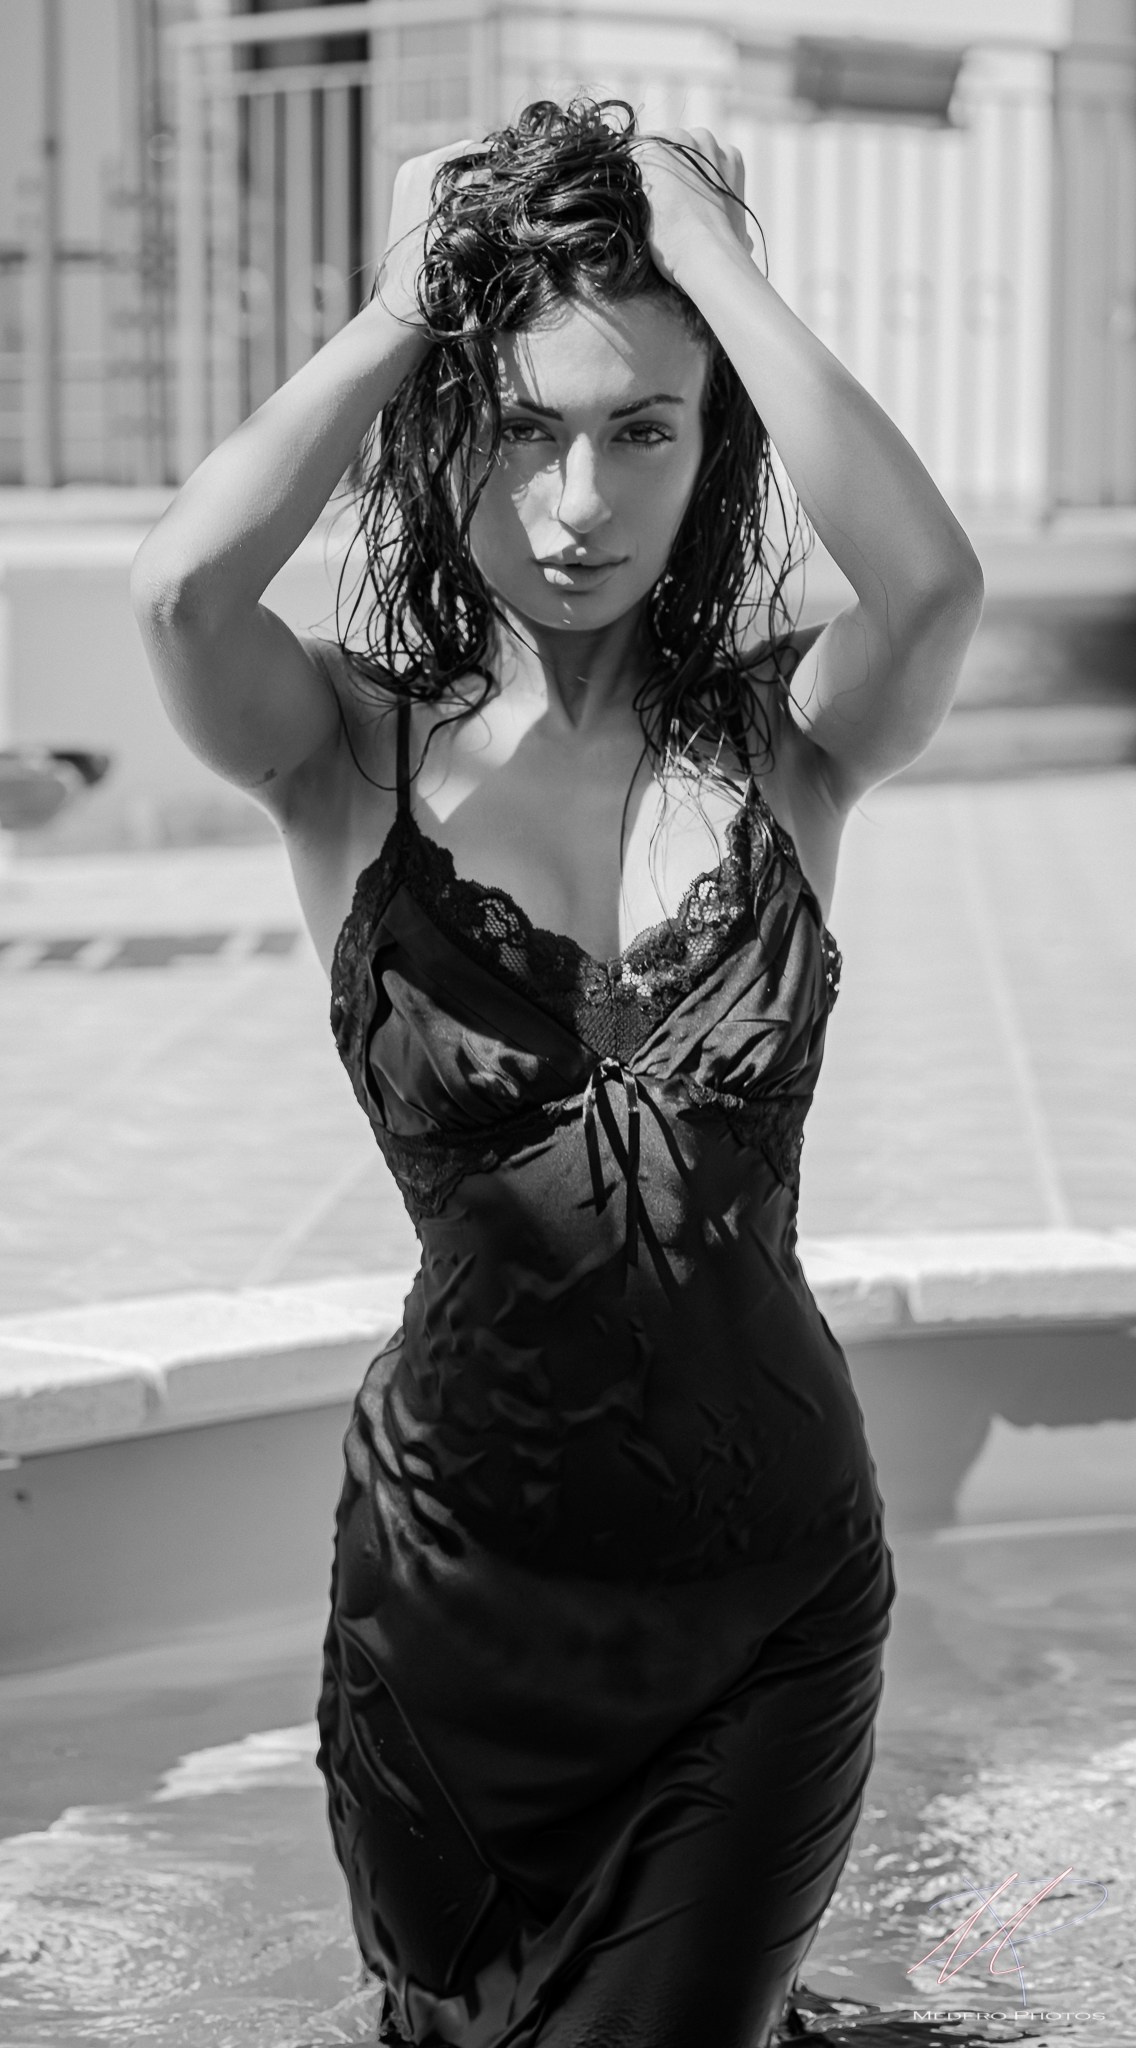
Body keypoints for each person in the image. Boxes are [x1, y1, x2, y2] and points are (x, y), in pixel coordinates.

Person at [132, 98, 984, 2048]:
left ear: (714, 444)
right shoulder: (340, 752)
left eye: (642, 429)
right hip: (453, 1619)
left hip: (764, 1609)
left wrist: (716, 262)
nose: (581, 500)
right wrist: (397, 308)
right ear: (443, 430)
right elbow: (178, 594)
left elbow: (934, 587)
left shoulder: (793, 738)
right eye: (523, 428)